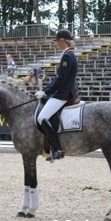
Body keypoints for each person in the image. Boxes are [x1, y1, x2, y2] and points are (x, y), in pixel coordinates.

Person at [35, 29, 78, 160]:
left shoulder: (67, 56)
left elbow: (61, 80)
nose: (56, 44)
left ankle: (57, 149)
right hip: (65, 92)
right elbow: (58, 78)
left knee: (41, 118)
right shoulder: (69, 54)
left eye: (57, 42)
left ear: (62, 41)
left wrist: (46, 92)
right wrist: (45, 90)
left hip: (63, 94)